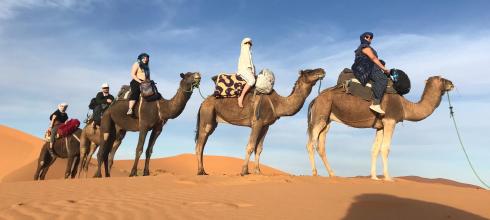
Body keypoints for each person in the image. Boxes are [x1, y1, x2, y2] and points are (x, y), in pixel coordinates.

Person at [351, 32, 390, 114]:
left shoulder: (367, 47)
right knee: (383, 79)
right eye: (366, 37)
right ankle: (376, 103)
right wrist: (384, 69)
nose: (369, 39)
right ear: (362, 38)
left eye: (371, 37)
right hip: (366, 69)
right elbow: (373, 58)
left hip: (368, 67)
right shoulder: (364, 47)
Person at [237, 37, 256, 108]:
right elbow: (247, 62)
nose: (248, 44)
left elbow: (251, 64)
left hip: (247, 69)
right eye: (247, 43)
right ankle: (241, 97)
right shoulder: (244, 50)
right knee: (252, 80)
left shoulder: (249, 52)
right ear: (243, 44)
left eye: (250, 43)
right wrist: (250, 70)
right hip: (244, 69)